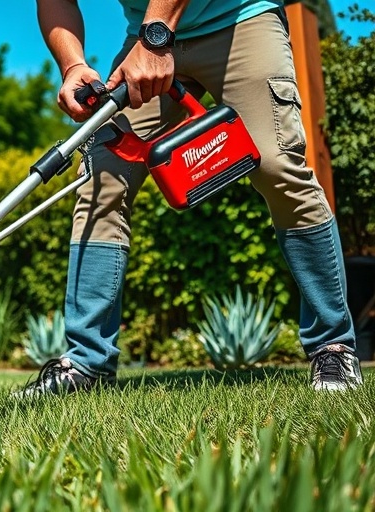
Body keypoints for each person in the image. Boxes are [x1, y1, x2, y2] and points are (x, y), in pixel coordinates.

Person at [20, 0, 362, 395]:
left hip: (239, 21)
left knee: (277, 166)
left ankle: (333, 345)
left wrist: (156, 37)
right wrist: (73, 65)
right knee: (101, 179)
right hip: (145, 38)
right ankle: (86, 363)